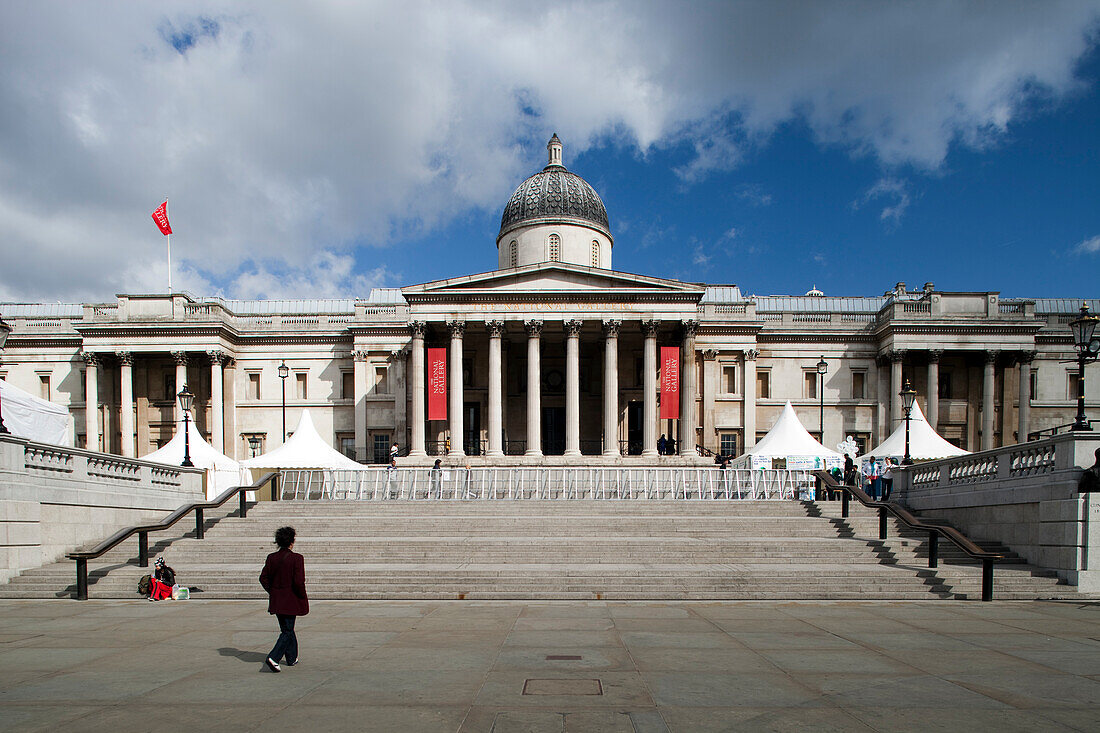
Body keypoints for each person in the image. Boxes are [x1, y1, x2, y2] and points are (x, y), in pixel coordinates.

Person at [259, 526, 308, 673]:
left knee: (287, 628)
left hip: (277, 600)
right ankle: (274, 657)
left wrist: (273, 591)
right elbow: (299, 582)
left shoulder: (271, 558)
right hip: (290, 600)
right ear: (291, 542)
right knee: (287, 631)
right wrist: (301, 596)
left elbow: (263, 578)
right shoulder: (296, 558)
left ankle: (292, 657)